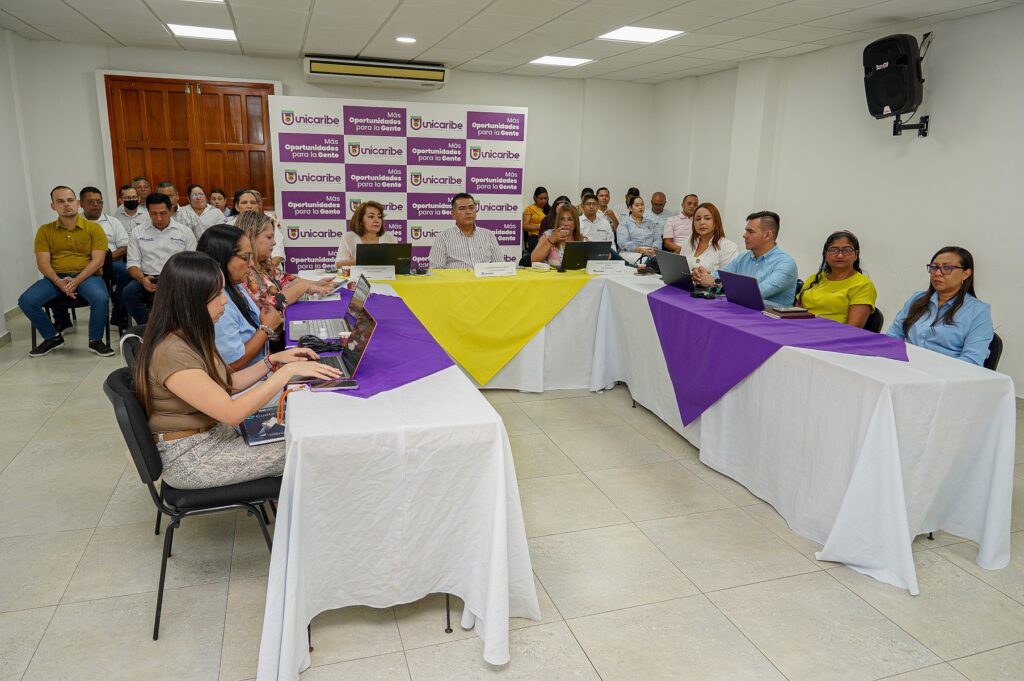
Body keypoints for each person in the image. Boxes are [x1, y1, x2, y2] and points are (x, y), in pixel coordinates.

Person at [133, 250, 341, 490]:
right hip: (192, 458)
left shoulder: (188, 332)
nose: (224, 301)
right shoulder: (172, 353)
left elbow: (227, 381)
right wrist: (285, 372)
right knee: (313, 448)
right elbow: (231, 413)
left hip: (211, 435)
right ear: (192, 300)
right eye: (217, 294)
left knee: (304, 417)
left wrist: (273, 361)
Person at [18, 186, 114, 357]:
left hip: (87, 276)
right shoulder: (45, 231)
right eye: (60, 201)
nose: (66, 205)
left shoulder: (94, 229)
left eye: (70, 200)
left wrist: (76, 281)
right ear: (53, 206)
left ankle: (96, 340)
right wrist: (58, 281)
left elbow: (98, 260)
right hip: (56, 277)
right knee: (26, 300)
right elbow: (42, 263)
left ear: (77, 203)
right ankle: (52, 337)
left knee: (101, 298)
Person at [887, 247, 993, 366]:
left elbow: (972, 360)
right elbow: (893, 336)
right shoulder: (917, 299)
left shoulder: (978, 311)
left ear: (966, 274)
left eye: (947, 268)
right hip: (905, 367)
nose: (937, 273)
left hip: (944, 377)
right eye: (934, 267)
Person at [198, 225, 282, 370]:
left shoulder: (235, 285)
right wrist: (266, 329)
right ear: (222, 259)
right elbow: (231, 365)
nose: (252, 263)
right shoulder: (216, 305)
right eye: (245, 257)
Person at [240, 211, 333, 341]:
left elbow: (286, 279)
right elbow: (270, 305)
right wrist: (304, 286)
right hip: (268, 342)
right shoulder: (244, 272)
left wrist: (316, 284)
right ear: (250, 237)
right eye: (269, 237)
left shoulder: (263, 264)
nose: (274, 243)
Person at [693, 210, 798, 307]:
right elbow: (722, 274)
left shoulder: (785, 264)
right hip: (742, 311)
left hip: (771, 321)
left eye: (750, 232)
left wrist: (715, 282)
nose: (744, 235)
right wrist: (702, 275)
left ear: (767, 235)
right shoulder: (744, 257)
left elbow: (755, 293)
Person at [123, 193, 197, 325]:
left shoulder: (184, 232)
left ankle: (179, 329)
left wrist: (177, 279)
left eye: (163, 213)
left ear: (171, 210)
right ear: (148, 212)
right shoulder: (138, 232)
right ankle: (148, 328)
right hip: (148, 278)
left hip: (176, 278)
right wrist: (142, 279)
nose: (158, 218)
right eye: (153, 214)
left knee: (190, 293)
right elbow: (132, 264)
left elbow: (191, 264)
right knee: (129, 292)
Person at [797, 231, 876, 327]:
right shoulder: (814, 278)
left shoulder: (864, 285)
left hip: (834, 338)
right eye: (834, 250)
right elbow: (795, 313)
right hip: (801, 331)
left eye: (846, 250)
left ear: (856, 255)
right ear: (825, 255)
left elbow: (853, 328)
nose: (840, 255)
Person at [79, 186, 131, 328]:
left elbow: (125, 246)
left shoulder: (112, 222)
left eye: (99, 202)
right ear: (81, 204)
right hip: (81, 264)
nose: (96, 205)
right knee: (57, 274)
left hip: (110, 263)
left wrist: (103, 260)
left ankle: (119, 314)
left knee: (126, 273)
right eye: (91, 202)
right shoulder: (75, 223)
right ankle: (62, 322)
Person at [428, 193, 503, 269]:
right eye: (462, 208)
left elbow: (500, 266)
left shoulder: (488, 235)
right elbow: (436, 271)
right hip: (457, 280)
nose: (468, 212)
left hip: (484, 280)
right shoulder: (443, 238)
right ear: (453, 214)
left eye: (471, 207)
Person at [334, 200, 398, 267]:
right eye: (371, 217)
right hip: (357, 277)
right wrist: (363, 261)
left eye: (379, 217)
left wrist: (353, 262)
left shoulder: (389, 237)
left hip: (385, 277)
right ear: (361, 221)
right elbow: (338, 265)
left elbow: (397, 264)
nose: (377, 220)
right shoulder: (349, 237)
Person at [680, 202, 738, 273]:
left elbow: (728, 279)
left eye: (707, 218)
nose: (702, 222)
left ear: (716, 221)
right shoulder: (689, 241)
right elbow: (680, 268)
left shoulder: (729, 247)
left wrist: (709, 278)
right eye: (698, 219)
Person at [531, 203, 586, 267]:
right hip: (551, 276)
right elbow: (534, 260)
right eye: (562, 219)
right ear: (558, 222)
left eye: (570, 219)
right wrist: (552, 239)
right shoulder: (548, 235)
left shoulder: (582, 239)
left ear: (575, 223)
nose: (566, 223)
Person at [616, 195, 660, 264]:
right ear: (630, 208)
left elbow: (658, 239)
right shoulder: (624, 224)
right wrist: (639, 249)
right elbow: (622, 242)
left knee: (664, 260)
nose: (640, 207)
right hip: (630, 252)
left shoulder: (651, 223)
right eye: (637, 205)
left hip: (650, 251)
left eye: (642, 204)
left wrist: (655, 248)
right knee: (650, 261)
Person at [522, 186, 549, 256]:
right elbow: (525, 226)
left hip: (547, 235)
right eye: (541, 198)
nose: (543, 201)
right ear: (535, 198)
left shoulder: (550, 210)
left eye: (545, 198)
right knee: (536, 245)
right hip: (534, 236)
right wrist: (540, 227)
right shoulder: (530, 209)